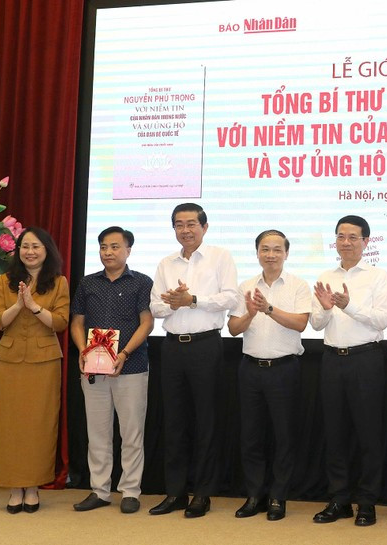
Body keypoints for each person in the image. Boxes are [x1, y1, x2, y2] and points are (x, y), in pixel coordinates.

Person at [149, 203, 239, 518]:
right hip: (171, 348)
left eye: (191, 224)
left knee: (206, 422)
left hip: (206, 347)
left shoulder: (220, 257)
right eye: (179, 225)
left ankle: (202, 493)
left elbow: (231, 297)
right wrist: (174, 302)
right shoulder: (165, 264)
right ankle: (174, 492)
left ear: (204, 226)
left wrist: (193, 300)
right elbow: (156, 308)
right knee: (174, 422)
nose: (185, 230)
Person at [310, 215, 387, 527]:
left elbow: (381, 320)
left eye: (353, 237)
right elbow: (316, 324)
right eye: (341, 236)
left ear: (366, 241)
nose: (346, 242)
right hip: (331, 359)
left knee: (369, 433)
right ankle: (340, 500)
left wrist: (347, 305)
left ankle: (367, 502)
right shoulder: (324, 274)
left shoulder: (378, 275)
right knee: (335, 432)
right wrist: (328, 308)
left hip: (366, 360)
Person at [228, 230, 311, 522]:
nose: (271, 254)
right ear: (257, 253)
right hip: (250, 369)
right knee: (251, 436)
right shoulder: (246, 286)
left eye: (277, 249)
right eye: (265, 249)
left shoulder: (299, 285)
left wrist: (269, 309)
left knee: (284, 436)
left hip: (284, 369)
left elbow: (301, 323)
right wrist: (251, 313)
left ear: (286, 253)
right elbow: (234, 329)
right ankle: (255, 495)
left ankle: (278, 496)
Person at [71, 226, 154, 514]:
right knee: (98, 433)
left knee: (131, 433)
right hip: (93, 369)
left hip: (131, 367)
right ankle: (100, 490)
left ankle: (130, 491)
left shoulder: (142, 282)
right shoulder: (87, 283)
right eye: (104, 247)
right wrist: (84, 350)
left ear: (128, 250)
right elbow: (77, 323)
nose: (108, 252)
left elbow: (147, 322)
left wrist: (125, 353)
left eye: (115, 246)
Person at [0, 227, 69, 514]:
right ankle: (13, 487)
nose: (30, 251)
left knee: (38, 425)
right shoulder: (5, 281)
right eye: (25, 246)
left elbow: (59, 323)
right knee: (9, 425)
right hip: (9, 362)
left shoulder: (58, 282)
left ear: (47, 251)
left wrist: (33, 306)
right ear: (18, 251)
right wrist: (18, 305)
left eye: (36, 246)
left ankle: (32, 487)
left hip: (44, 363)